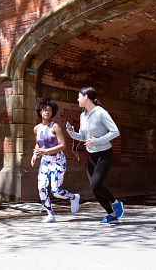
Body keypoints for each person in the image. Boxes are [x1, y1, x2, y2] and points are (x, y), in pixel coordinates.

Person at [67, 86, 123, 224]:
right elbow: (84, 137)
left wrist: (96, 141)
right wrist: (73, 134)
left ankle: (116, 202)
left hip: (105, 154)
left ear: (86, 97)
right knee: (94, 187)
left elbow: (115, 132)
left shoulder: (101, 113)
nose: (77, 99)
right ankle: (111, 215)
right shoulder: (82, 115)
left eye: (79, 96)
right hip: (92, 156)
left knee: (96, 183)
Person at [32, 97, 80, 223]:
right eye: (44, 110)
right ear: (40, 111)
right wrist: (35, 154)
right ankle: (50, 214)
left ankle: (74, 197)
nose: (47, 112)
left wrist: (45, 151)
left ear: (52, 112)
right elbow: (38, 143)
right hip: (44, 161)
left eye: (50, 110)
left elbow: (63, 145)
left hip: (58, 161)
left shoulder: (55, 126)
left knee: (56, 191)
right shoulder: (36, 128)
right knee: (41, 188)